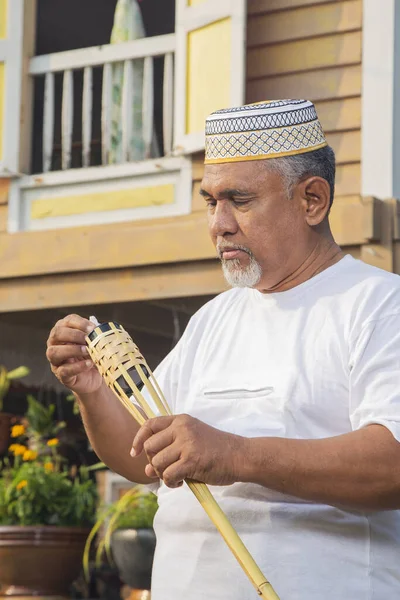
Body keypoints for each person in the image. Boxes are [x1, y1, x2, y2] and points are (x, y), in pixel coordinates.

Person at [46, 99, 400, 600]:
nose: (218, 224)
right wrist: (91, 391)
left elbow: (393, 465)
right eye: (211, 201)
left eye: (241, 200)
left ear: (312, 200)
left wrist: (234, 454)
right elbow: (141, 458)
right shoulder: (214, 319)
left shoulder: (380, 304)